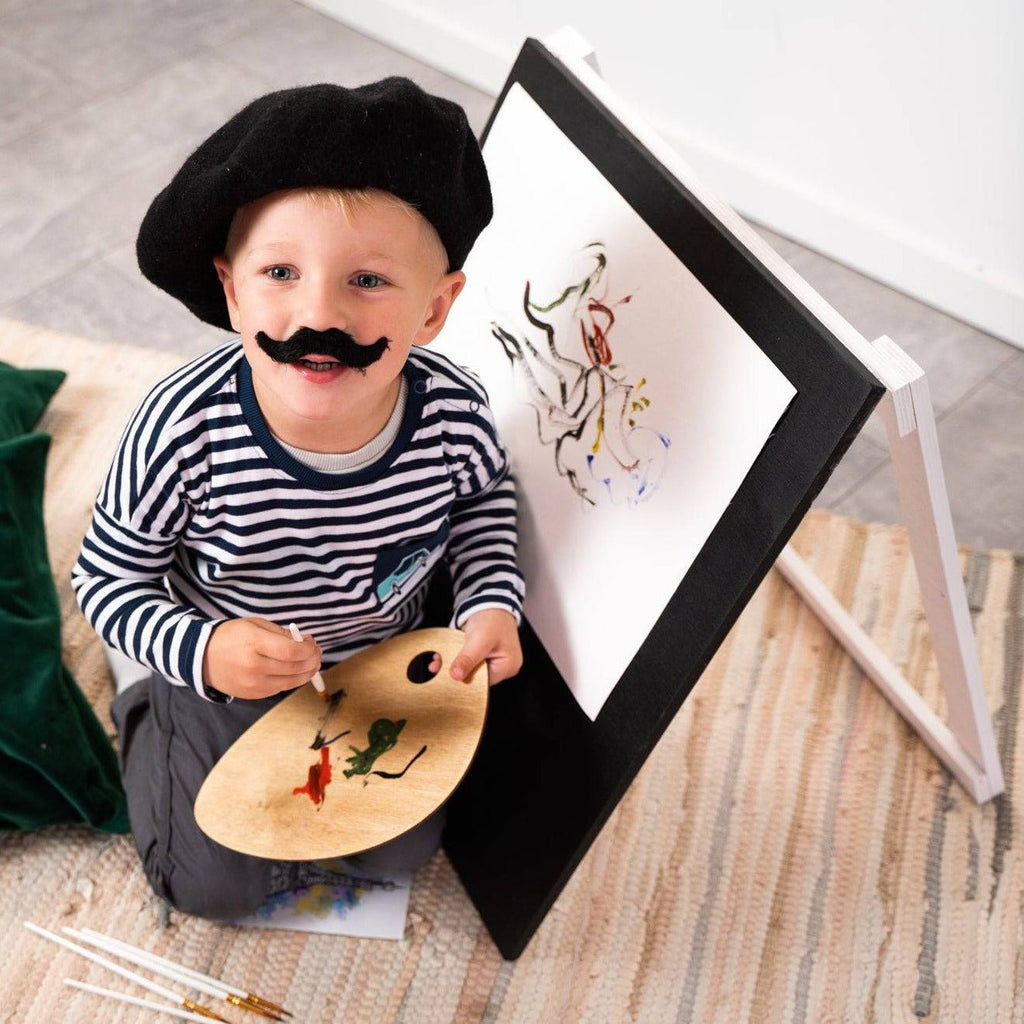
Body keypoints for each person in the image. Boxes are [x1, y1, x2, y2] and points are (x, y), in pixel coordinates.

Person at [71, 79, 524, 919]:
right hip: (230, 657)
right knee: (209, 882)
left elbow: (484, 505)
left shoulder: (454, 412)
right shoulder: (182, 429)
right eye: (280, 272)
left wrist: (492, 600)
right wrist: (200, 650)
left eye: (368, 281)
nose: (319, 311)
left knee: (402, 849)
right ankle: (144, 694)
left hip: (371, 658)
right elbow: (103, 580)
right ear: (233, 290)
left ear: (434, 308)